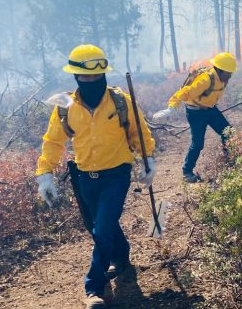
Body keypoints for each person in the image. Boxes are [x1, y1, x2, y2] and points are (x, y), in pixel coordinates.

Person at [36, 44, 156, 309]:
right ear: (76, 76)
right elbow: (54, 141)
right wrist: (45, 172)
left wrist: (148, 160)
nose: (90, 80)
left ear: (103, 74)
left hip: (117, 174)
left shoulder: (120, 101)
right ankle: (121, 257)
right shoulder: (65, 107)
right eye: (84, 76)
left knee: (102, 227)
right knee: (100, 226)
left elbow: (139, 132)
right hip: (83, 176)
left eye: (95, 76)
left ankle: (93, 287)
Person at [153, 52, 237, 183]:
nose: (230, 76)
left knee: (228, 132)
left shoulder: (222, 79)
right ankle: (187, 171)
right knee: (198, 144)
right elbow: (186, 92)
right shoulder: (206, 80)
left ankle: (229, 162)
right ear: (220, 70)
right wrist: (171, 107)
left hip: (210, 109)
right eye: (228, 73)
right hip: (195, 113)